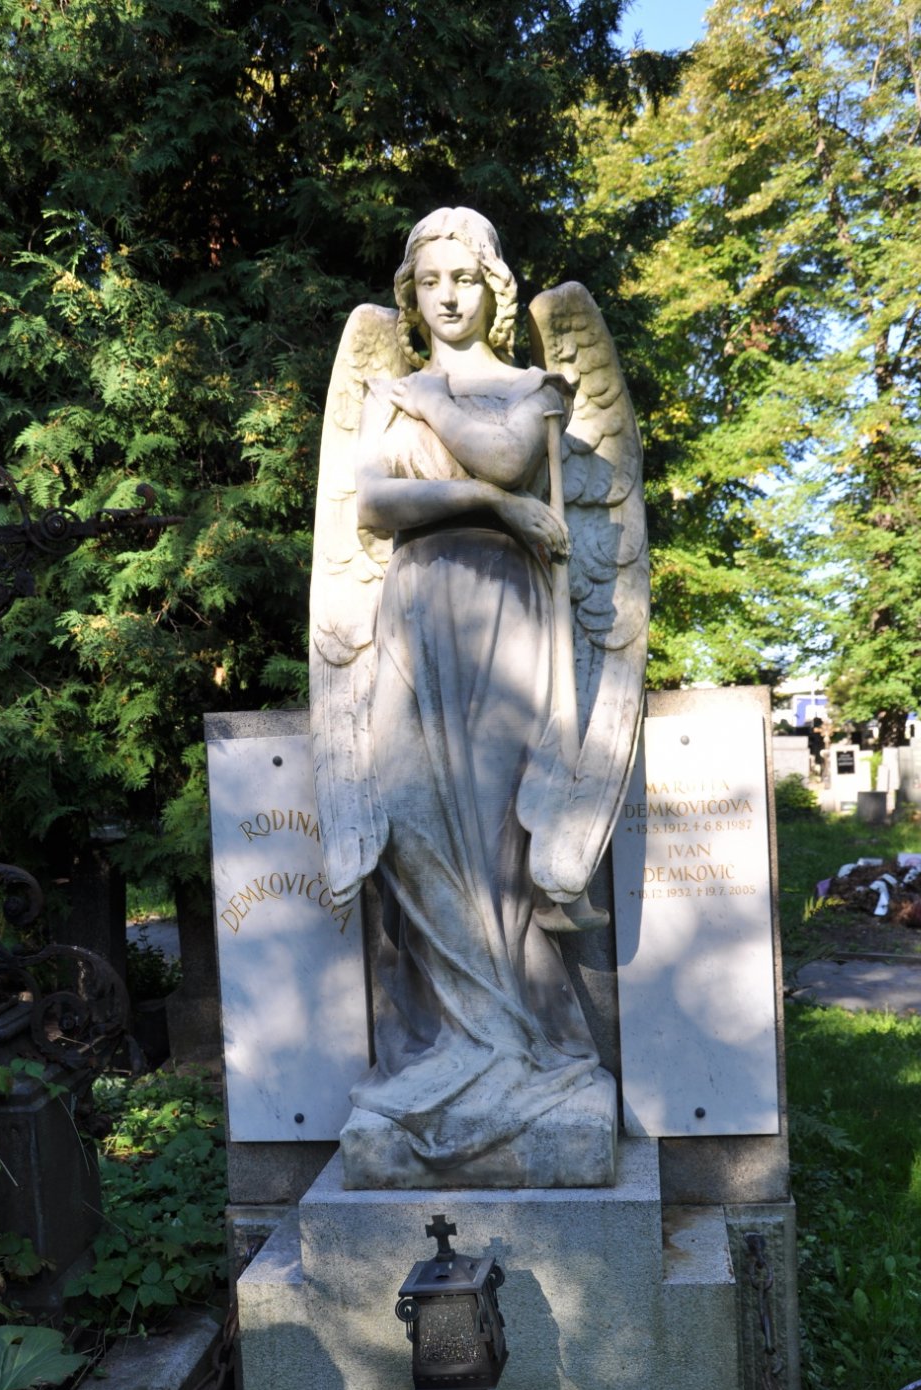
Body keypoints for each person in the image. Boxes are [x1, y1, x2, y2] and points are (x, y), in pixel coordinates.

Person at [311, 207, 646, 1171]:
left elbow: (508, 454)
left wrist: (435, 422)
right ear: (411, 296)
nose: (446, 297)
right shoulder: (393, 391)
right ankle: (456, 1047)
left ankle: (520, 1047)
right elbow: (378, 504)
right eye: (429, 283)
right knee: (409, 824)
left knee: (500, 849)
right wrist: (489, 502)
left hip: (504, 626)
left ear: (493, 290)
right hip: (416, 619)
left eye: (463, 279)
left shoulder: (532, 387)